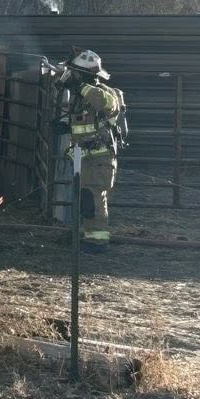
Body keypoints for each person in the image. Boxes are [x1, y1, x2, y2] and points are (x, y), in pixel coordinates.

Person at [60, 49, 127, 251]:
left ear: (83, 74)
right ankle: (88, 236)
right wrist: (65, 125)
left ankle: (98, 242)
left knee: (94, 200)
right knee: (86, 199)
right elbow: (85, 126)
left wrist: (81, 86)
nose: (70, 75)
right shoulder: (81, 98)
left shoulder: (105, 93)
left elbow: (108, 104)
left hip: (100, 159)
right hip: (86, 158)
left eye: (74, 72)